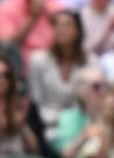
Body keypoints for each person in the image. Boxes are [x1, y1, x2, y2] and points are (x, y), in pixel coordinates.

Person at [27, 8, 84, 142]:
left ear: (78, 31)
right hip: (46, 126)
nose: (61, 29)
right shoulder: (38, 60)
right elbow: (35, 101)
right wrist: (59, 119)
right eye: (57, 25)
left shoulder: (91, 62)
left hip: (80, 127)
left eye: (67, 25)